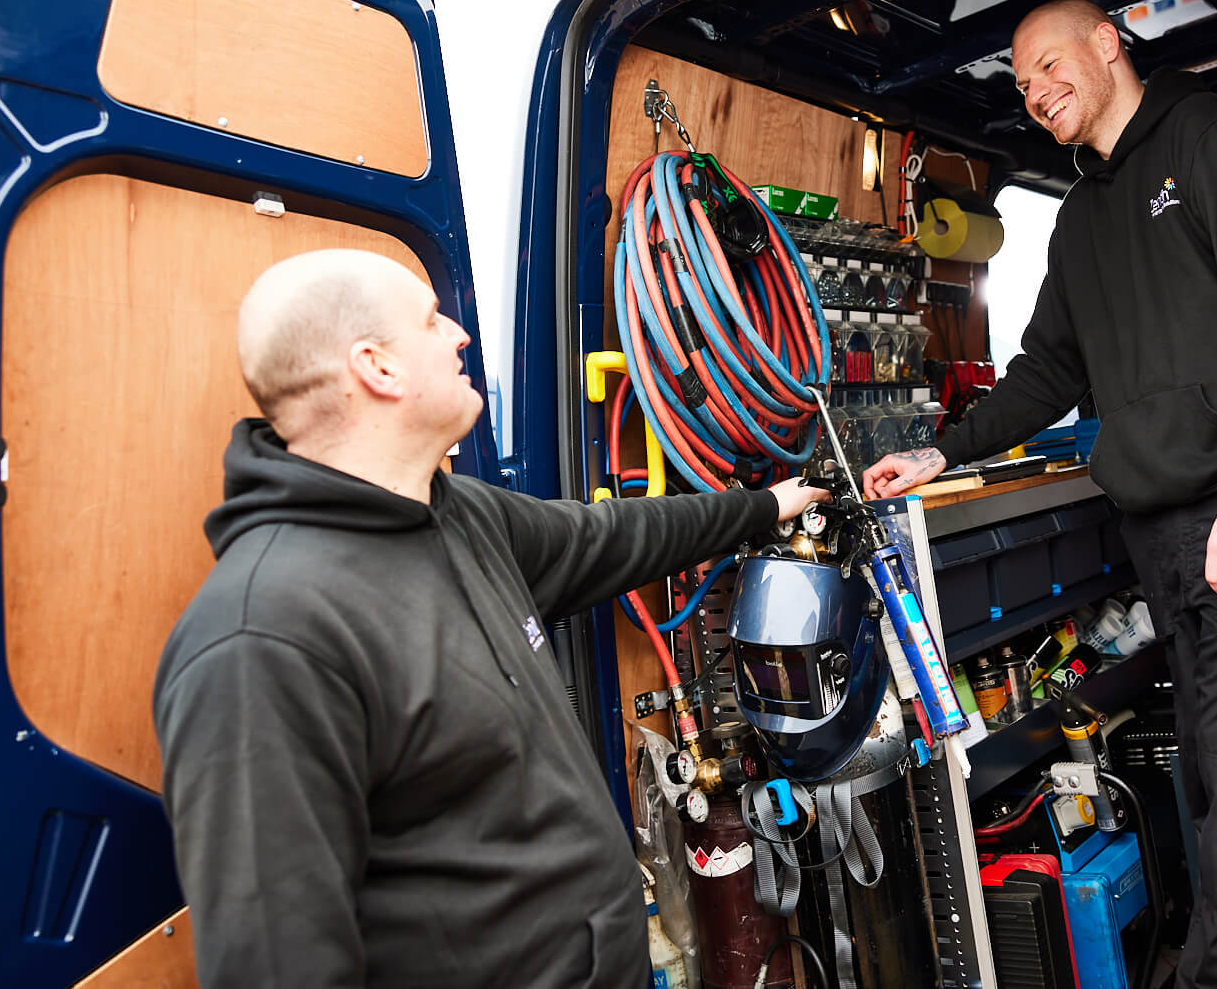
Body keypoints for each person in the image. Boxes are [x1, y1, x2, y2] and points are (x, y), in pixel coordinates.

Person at [864, 0, 1217, 989]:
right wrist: (945, 451)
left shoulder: (1213, 139)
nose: (1035, 90)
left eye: (1049, 63)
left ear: (1108, 43)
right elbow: (1043, 368)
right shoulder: (1084, 213)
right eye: (1020, 83)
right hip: (1166, 537)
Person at [153, 249, 828, 988]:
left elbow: (617, 537)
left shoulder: (460, 516)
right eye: (431, 320)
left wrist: (768, 506)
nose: (459, 335)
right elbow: (280, 966)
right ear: (378, 368)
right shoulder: (262, 638)